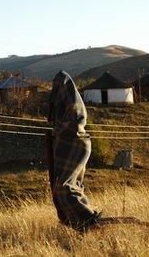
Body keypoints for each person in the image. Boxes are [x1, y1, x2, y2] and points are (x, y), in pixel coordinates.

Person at [47, 70, 102, 231]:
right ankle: (80, 223)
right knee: (70, 186)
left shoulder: (72, 110)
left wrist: (58, 133)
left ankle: (88, 222)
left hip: (74, 143)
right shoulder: (69, 105)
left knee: (65, 188)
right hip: (74, 143)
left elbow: (73, 126)